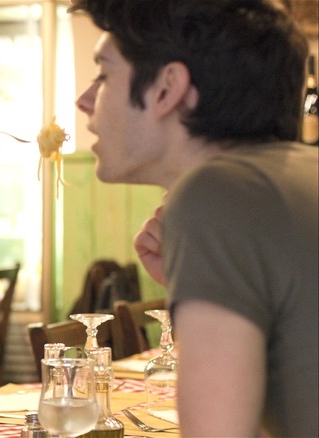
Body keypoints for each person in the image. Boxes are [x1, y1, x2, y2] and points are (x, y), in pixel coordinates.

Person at [70, 0, 318, 436]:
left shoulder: (214, 193)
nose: (85, 100)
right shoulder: (295, 178)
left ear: (168, 89)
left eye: (104, 74)